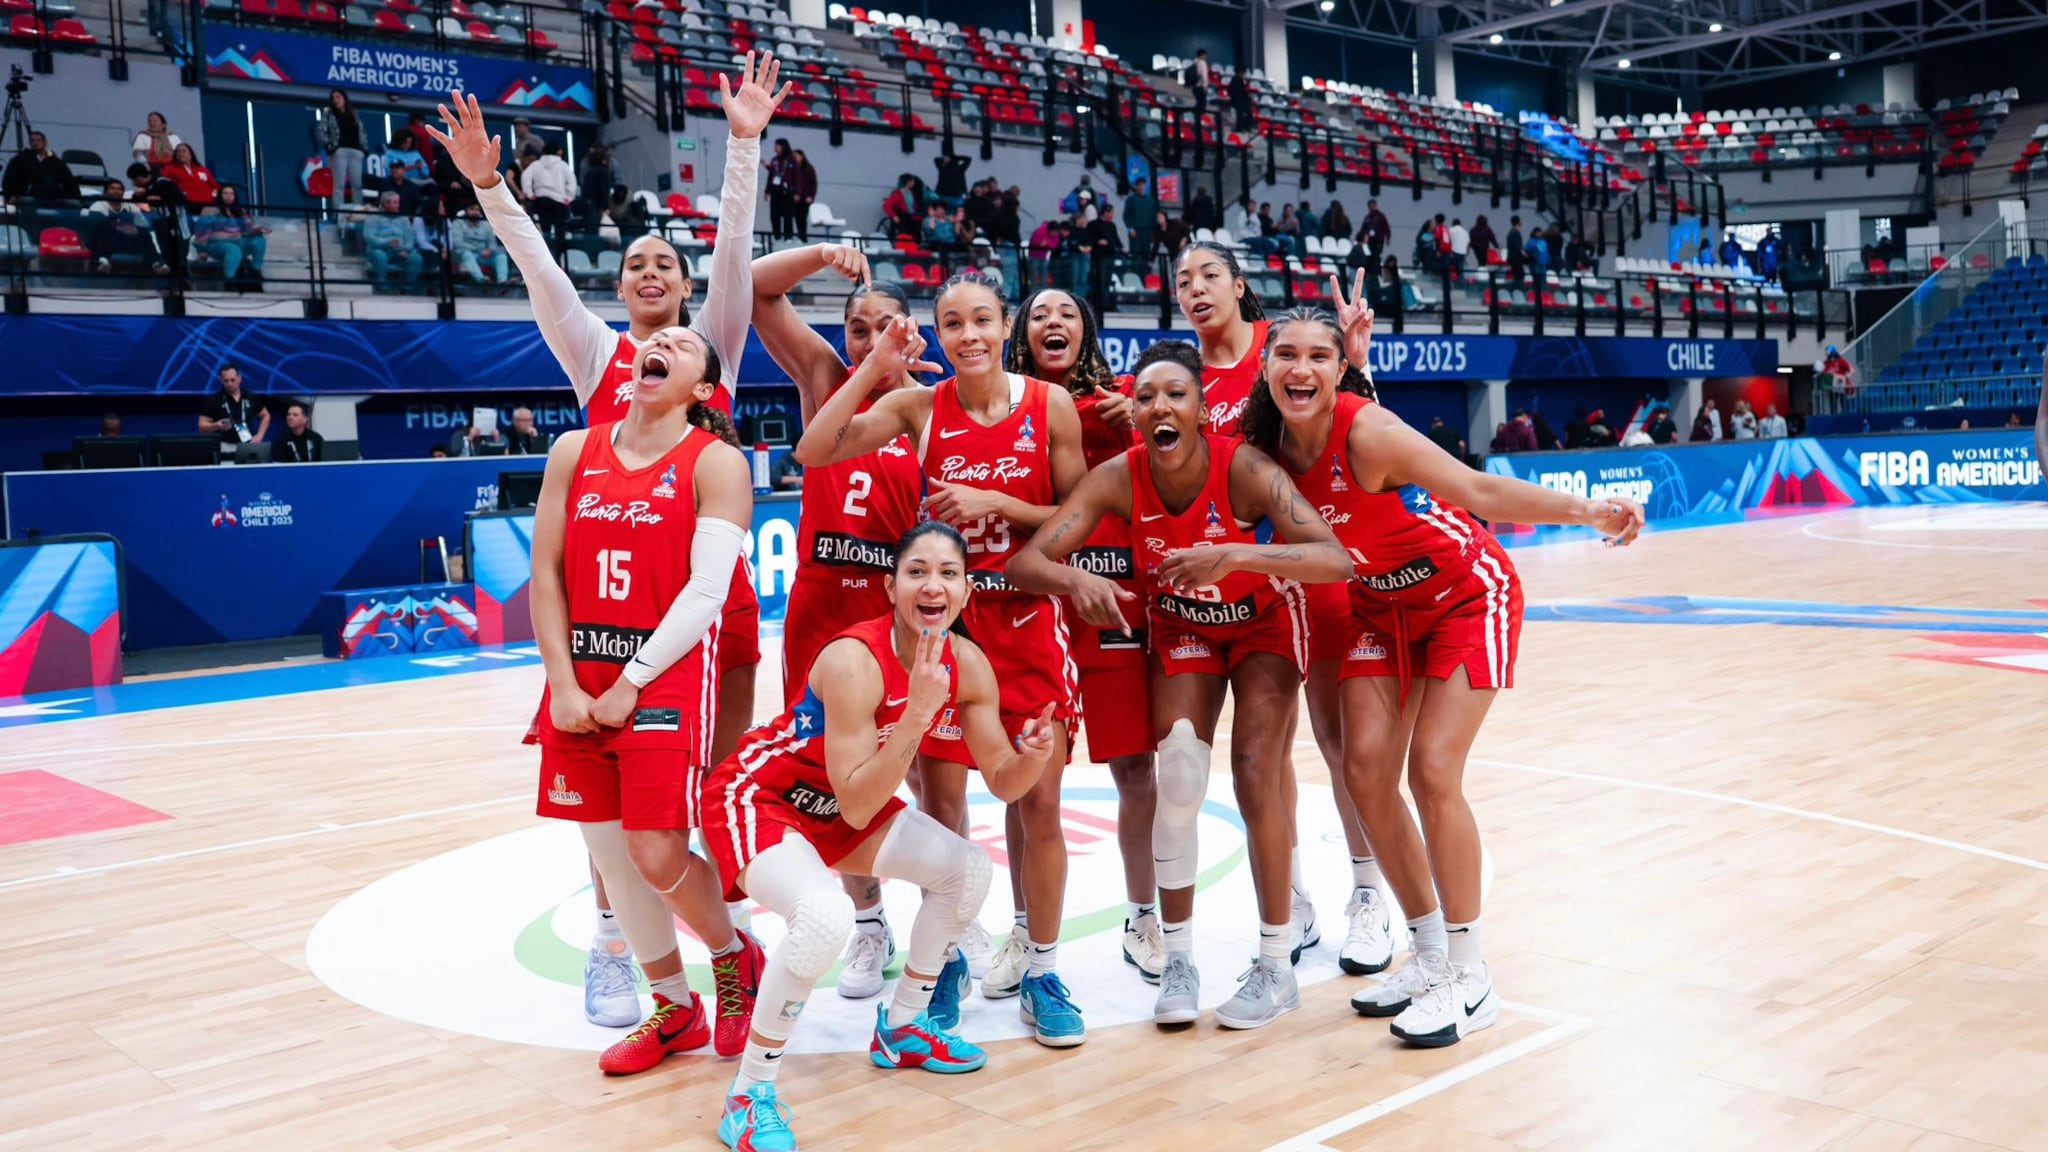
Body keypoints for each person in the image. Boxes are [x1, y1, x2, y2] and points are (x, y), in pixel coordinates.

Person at [434, 57, 785, 1057]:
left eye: (662, 267)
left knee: (691, 801)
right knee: (616, 817)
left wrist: (744, 146)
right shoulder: (597, 364)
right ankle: (618, 940)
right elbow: (541, 271)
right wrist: (490, 186)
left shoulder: (702, 355)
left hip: (698, 624)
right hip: (601, 628)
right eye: (632, 262)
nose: (647, 274)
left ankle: (727, 946)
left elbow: (732, 256)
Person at [1240, 290, 1642, 1046]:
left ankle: (1470, 972)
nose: (1301, 368)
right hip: (1379, 612)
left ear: (1339, 370)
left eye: (1318, 356)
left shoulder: (1371, 435)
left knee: (1431, 770)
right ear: (1264, 368)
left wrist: (1590, 511)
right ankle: (1426, 952)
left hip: (1465, 596)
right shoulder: (1263, 450)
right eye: (1286, 355)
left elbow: (1482, 491)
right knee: (1364, 774)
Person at [1008, 338, 1352, 1027]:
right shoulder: (1119, 477)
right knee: (1182, 773)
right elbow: (1026, 561)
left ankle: (1276, 962)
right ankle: (1181, 958)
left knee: (1256, 768)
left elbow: (1334, 557)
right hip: (1184, 626)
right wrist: (1075, 578)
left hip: (1262, 623)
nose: (1159, 405)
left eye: (1176, 394)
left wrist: (1235, 554)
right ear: (1132, 413)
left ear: (1201, 410)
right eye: (1145, 396)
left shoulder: (1246, 468)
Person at [793, 274, 1090, 1046]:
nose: (969, 336)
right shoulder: (920, 408)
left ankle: (1043, 963)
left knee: (1040, 801)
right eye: (952, 323)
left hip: (1024, 622)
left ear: (1005, 326)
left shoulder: (1047, 405)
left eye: (983, 320)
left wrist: (1000, 507)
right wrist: (873, 365)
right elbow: (812, 447)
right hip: (948, 626)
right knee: (944, 811)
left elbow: (1082, 514)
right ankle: (950, 954)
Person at [699, 521, 1058, 1152]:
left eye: (948, 573)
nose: (932, 585)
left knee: (967, 871)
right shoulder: (850, 660)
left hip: (840, 800)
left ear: (967, 592)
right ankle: (749, 1094)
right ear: (891, 588)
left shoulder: (967, 664)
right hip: (762, 797)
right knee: (823, 919)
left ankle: (904, 1027)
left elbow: (1003, 780)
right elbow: (861, 804)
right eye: (916, 571)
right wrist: (919, 713)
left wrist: (1031, 757)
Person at [527, 323, 766, 1077]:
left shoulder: (716, 461)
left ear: (702, 389)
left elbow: (705, 592)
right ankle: (675, 1009)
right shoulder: (574, 450)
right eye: (654, 338)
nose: (660, 341)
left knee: (655, 848)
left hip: (662, 672)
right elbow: (546, 573)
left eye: (684, 344)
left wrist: (630, 681)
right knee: (607, 851)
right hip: (580, 674)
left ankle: (733, 957)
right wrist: (565, 683)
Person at [749, 245, 982, 998]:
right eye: (858, 327)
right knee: (832, 773)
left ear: (914, 336)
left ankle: (949, 916)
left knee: (932, 765)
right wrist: (821, 256)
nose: (871, 337)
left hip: (899, 602)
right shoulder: (826, 381)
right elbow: (754, 292)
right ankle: (869, 922)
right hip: (823, 600)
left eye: (887, 327)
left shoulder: (927, 407)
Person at [1171, 241, 1345, 956]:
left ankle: (1367, 894)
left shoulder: (1278, 359)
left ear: (1240, 284)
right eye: (1182, 280)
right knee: (1256, 764)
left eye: (1210, 274)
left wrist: (1356, 358)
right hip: (1209, 601)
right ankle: (1295, 898)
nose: (1196, 288)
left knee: (1340, 750)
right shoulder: (1172, 378)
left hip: (1298, 581)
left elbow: (1344, 430)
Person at [1005, 288, 1165, 985]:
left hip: (1113, 607)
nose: (1053, 322)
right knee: (1028, 786)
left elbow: (1173, 482)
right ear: (1022, 335)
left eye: (1068, 312)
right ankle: (1022, 929)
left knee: (1136, 771)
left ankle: (1144, 916)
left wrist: (1139, 423)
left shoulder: (1124, 400)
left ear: (1088, 329)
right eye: (1038, 314)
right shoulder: (1003, 406)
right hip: (1033, 610)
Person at [192, 185, 268, 282]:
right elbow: (201, 231)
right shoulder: (210, 210)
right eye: (225, 193)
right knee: (233, 249)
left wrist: (258, 230)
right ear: (220, 195)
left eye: (231, 194)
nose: (229, 196)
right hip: (216, 245)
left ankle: (256, 271)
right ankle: (229, 281)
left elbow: (249, 228)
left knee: (259, 241)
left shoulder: (240, 211)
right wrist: (201, 250)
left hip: (238, 242)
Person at [85, 178, 159, 272]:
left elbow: (143, 225)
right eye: (112, 188)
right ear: (105, 192)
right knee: (104, 231)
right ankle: (103, 261)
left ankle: (155, 263)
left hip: (128, 241)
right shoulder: (98, 205)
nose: (116, 191)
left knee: (145, 234)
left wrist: (133, 228)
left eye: (119, 189)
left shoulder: (130, 206)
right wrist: (120, 227)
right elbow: (95, 227)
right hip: (107, 241)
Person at [200, 363, 269, 456]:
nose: (229, 384)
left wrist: (260, 435)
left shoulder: (250, 397)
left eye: (232, 380)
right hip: (224, 446)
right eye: (226, 381)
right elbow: (202, 426)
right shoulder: (214, 400)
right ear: (221, 380)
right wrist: (216, 425)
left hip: (248, 445)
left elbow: (265, 416)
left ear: (239, 378)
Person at [2, 131, 81, 210]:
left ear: (45, 143)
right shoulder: (20, 160)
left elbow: (69, 181)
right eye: (32, 141)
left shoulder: (56, 162)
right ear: (29, 143)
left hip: (54, 198)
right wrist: (13, 195)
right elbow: (9, 179)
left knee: (75, 204)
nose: (35, 143)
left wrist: (75, 196)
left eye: (38, 140)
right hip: (29, 197)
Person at [362, 191, 428, 285]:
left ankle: (406, 287)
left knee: (416, 258)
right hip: (378, 250)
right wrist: (387, 243)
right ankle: (381, 286)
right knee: (381, 257)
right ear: (386, 204)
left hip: (399, 251)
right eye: (395, 203)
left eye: (398, 203)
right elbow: (369, 237)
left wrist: (406, 249)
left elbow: (409, 238)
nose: (398, 206)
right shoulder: (373, 217)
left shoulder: (403, 218)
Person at [321, 89, 366, 213]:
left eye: (338, 97)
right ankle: (338, 213)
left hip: (356, 151)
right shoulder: (329, 114)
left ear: (344, 98)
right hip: (339, 150)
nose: (336, 100)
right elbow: (322, 131)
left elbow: (361, 131)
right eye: (333, 98)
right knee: (339, 185)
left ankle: (358, 212)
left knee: (357, 185)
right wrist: (330, 147)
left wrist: (364, 149)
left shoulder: (353, 114)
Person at [523, 141, 578, 234]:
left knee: (545, 230)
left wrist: (529, 194)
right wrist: (569, 197)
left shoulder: (536, 164)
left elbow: (525, 176)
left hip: (541, 200)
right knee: (560, 230)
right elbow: (572, 181)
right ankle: (560, 248)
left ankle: (546, 247)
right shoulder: (563, 165)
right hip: (559, 201)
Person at [448, 201, 510, 283]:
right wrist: (479, 250)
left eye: (477, 210)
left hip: (483, 256)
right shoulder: (458, 222)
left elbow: (492, 244)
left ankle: (502, 281)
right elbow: (458, 243)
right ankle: (481, 279)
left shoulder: (485, 224)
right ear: (466, 211)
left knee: (501, 255)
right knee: (466, 254)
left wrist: (489, 250)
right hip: (464, 255)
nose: (475, 212)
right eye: (472, 209)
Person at [161, 143, 220, 208]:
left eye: (184, 151)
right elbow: (163, 185)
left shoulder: (202, 169)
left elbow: (215, 186)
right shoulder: (169, 169)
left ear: (191, 154)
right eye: (178, 151)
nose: (180, 153)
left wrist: (213, 195)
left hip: (208, 203)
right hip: (185, 204)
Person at [766, 138, 800, 241]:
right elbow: (771, 176)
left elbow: (797, 177)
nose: (775, 148)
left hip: (787, 191)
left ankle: (788, 236)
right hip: (775, 191)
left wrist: (798, 192)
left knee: (787, 215)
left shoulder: (791, 160)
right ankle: (777, 235)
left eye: (777, 146)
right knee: (774, 214)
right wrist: (767, 190)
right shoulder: (775, 160)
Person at [1124, 177, 1156, 259]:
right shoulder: (1131, 199)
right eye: (1139, 185)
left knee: (1146, 256)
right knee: (1135, 257)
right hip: (1135, 233)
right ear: (1136, 186)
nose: (1141, 187)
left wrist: (1153, 233)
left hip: (1147, 233)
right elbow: (1126, 215)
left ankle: (1145, 271)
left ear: (1145, 186)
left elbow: (1153, 218)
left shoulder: (1151, 201)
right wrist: (1130, 229)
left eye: (1143, 185)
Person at [792, 148, 817, 243]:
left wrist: (811, 196)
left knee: (803, 217)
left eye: (796, 156)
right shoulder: (793, 168)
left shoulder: (809, 168)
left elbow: (813, 184)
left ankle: (803, 237)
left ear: (802, 157)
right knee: (796, 217)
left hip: (805, 197)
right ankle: (799, 236)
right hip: (795, 197)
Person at [1360, 198, 1390, 262]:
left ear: (1375, 206)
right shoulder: (1367, 217)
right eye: (1369, 206)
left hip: (1378, 240)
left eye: (1372, 206)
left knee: (1376, 255)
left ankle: (1376, 268)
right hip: (1370, 241)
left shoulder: (1381, 216)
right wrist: (1363, 237)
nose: (1371, 207)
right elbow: (1363, 229)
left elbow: (1386, 228)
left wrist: (1388, 238)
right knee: (1369, 255)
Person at [1505, 215, 1525, 284]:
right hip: (1515, 257)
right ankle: (1517, 288)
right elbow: (1517, 246)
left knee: (1518, 274)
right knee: (1519, 275)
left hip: (1513, 257)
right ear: (1518, 222)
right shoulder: (1515, 232)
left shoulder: (1512, 232)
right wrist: (1523, 253)